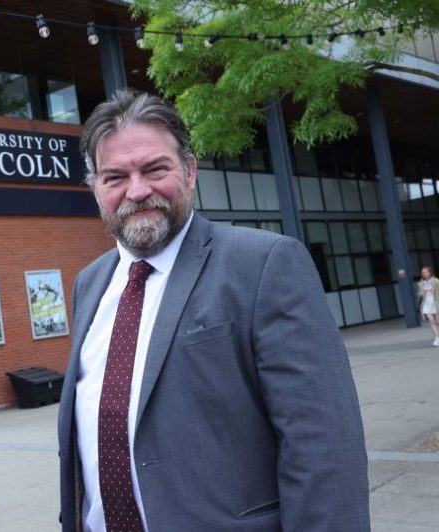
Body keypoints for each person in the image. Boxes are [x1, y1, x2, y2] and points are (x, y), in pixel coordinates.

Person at [57, 90, 369, 531]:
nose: (138, 190)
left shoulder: (265, 264)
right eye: (114, 177)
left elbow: (324, 448)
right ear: (95, 190)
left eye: (155, 168)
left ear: (189, 171)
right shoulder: (88, 285)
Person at [418, 265, 439, 346]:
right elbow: (420, 293)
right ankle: (437, 337)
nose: (423, 273)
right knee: (431, 320)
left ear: (430, 273)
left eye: (425, 272)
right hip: (426, 302)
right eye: (422, 272)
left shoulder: (436, 281)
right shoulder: (421, 283)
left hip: (436, 302)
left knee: (437, 321)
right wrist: (421, 293)